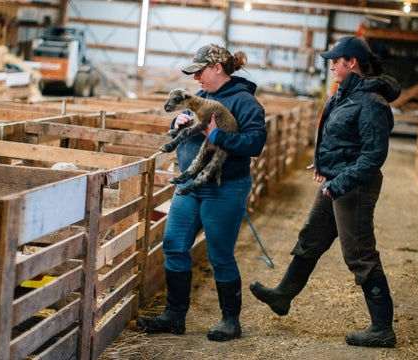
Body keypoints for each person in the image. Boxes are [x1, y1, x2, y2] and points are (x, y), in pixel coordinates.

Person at [250, 35, 401, 348]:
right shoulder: (342, 95)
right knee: (311, 238)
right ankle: (283, 295)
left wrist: (341, 182)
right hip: (335, 181)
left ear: (352, 62)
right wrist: (322, 163)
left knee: (359, 254)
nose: (332, 66)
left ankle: (382, 328)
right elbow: (335, 135)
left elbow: (373, 155)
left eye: (336, 61)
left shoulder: (371, 102)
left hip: (354, 186)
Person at [136, 44, 267, 341]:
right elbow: (188, 126)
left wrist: (216, 136)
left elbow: (255, 143)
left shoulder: (245, 102)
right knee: (173, 244)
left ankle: (230, 320)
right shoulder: (202, 97)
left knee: (219, 254)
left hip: (225, 187)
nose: (196, 78)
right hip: (190, 185)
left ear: (217, 68)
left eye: (200, 72)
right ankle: (174, 315)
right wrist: (177, 122)